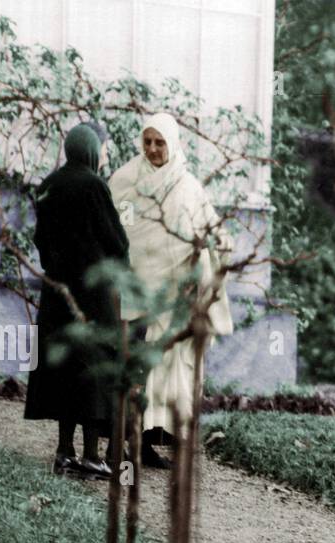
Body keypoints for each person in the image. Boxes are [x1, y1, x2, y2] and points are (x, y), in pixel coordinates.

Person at [107, 113, 234, 469]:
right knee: (139, 367)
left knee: (174, 366)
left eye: (159, 142)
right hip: (138, 291)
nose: (152, 149)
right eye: (147, 141)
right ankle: (132, 443)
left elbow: (213, 231)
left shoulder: (188, 186)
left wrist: (215, 248)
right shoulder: (126, 180)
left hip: (178, 295)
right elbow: (123, 232)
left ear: (173, 143)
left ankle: (159, 439)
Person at [24, 122, 130, 479]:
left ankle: (64, 452)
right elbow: (116, 240)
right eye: (102, 148)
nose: (104, 156)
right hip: (92, 295)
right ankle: (91, 456)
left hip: (57, 293)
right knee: (93, 370)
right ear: (91, 150)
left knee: (64, 368)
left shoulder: (48, 185)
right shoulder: (94, 185)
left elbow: (40, 240)